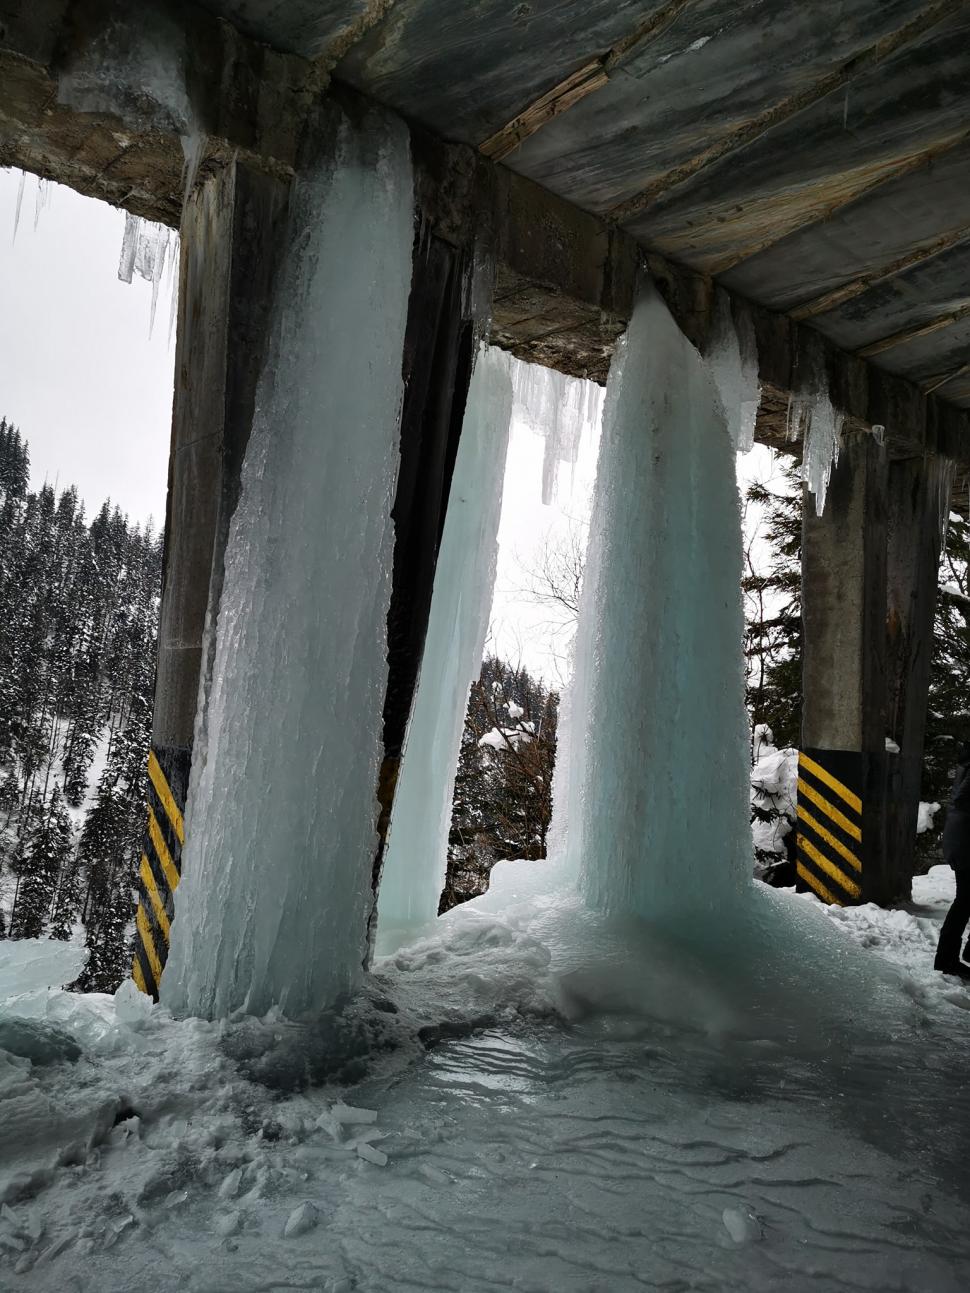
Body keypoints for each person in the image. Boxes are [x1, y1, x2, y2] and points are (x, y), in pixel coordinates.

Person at [935, 743, 970, 979]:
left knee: (966, 900)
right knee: (964, 901)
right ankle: (947, 959)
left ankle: (951, 957)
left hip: (962, 839)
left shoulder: (966, 765)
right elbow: (963, 799)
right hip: (966, 842)